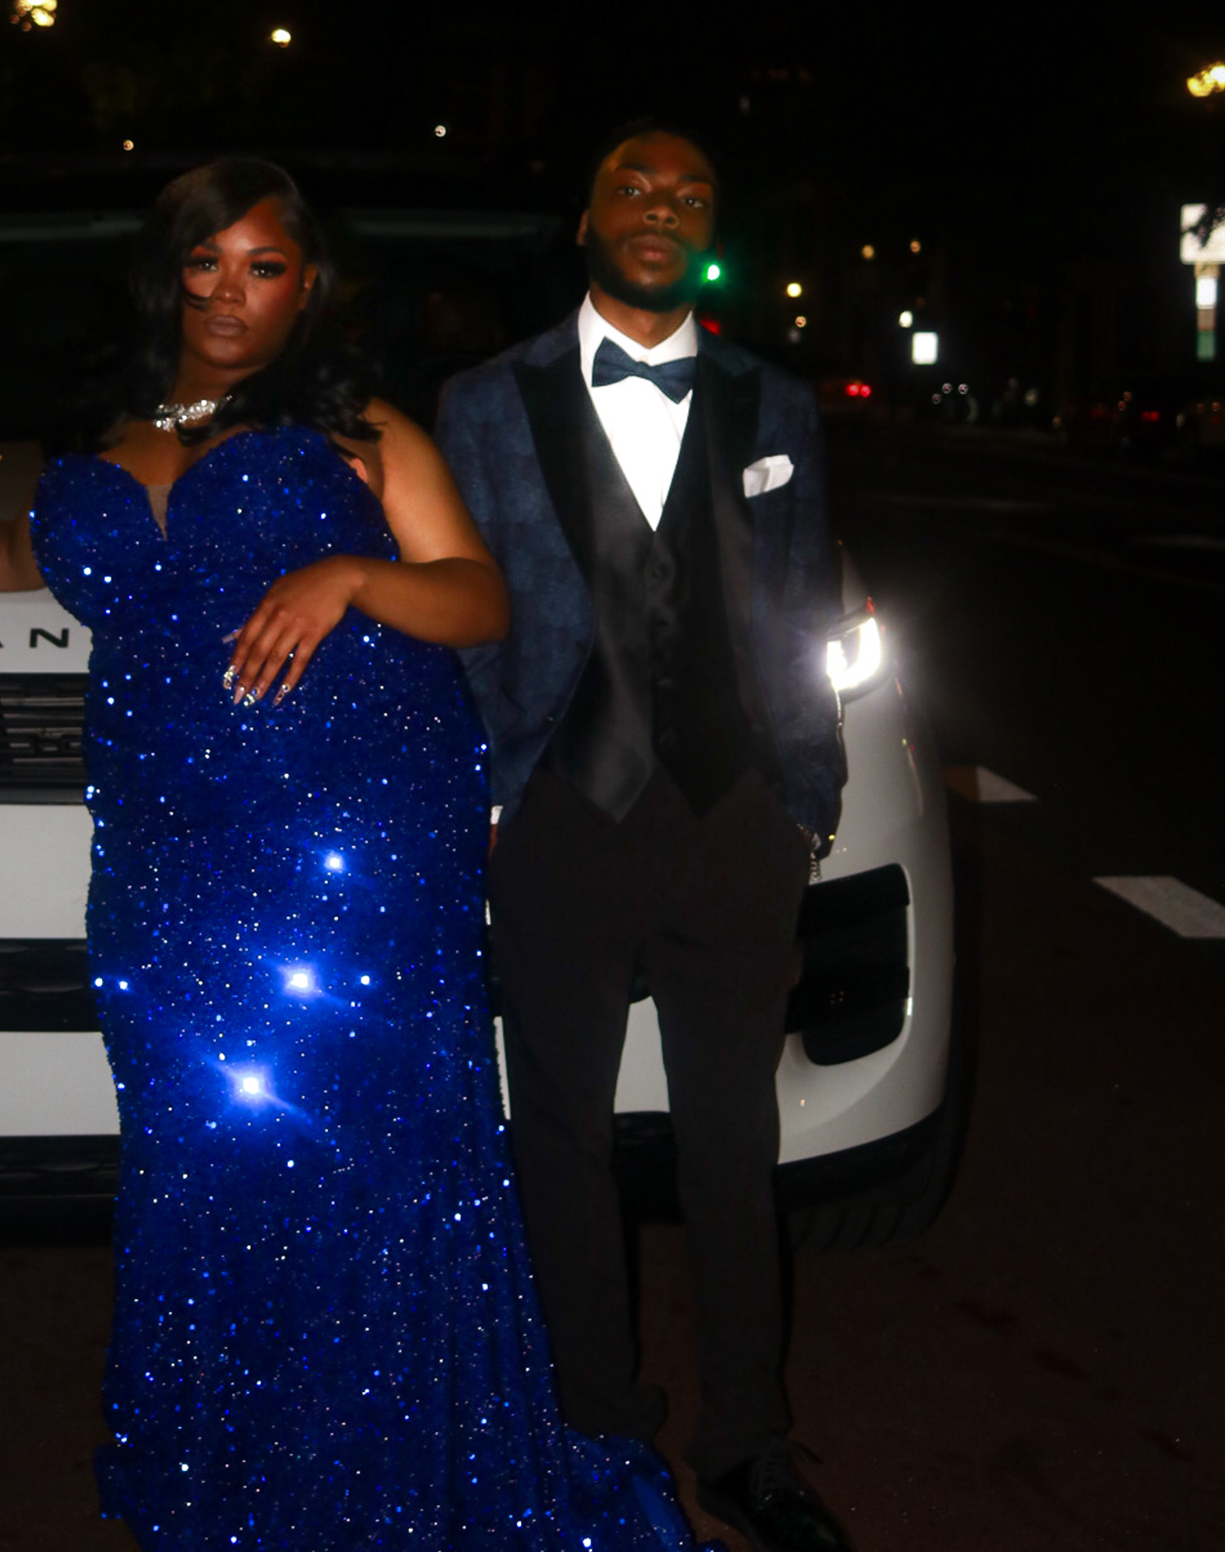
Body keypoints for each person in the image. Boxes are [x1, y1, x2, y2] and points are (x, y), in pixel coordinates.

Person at [0, 157, 697, 1551]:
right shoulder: (113, 433)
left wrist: (349, 576)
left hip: (353, 843)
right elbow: (28, 553)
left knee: (366, 1161)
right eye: (206, 262)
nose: (229, 293)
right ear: (167, 276)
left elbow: (479, 599)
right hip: (163, 858)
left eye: (264, 267)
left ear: (306, 287)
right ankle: (242, 1477)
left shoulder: (355, 427)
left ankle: (389, 1482)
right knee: (203, 1154)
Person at [436, 123, 856, 1552]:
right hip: (562, 810)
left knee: (734, 1140)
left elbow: (798, 608)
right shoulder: (483, 402)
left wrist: (804, 795)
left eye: (690, 194)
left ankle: (749, 1445)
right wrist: (492, 786)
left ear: (711, 230)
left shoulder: (774, 402)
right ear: (585, 218)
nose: (661, 207)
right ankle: (594, 1429)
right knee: (560, 1133)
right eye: (634, 185)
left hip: (736, 819)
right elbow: (462, 601)